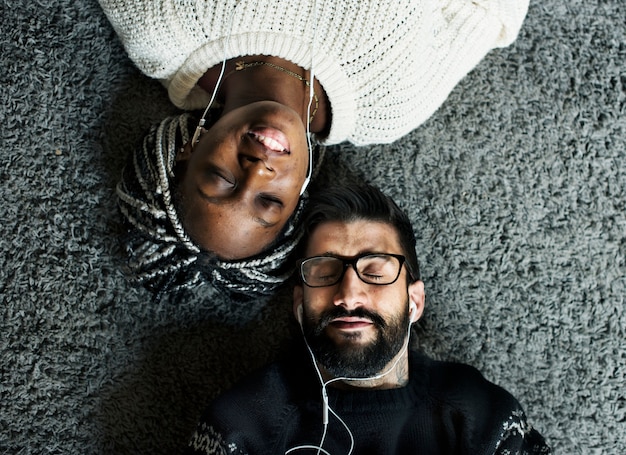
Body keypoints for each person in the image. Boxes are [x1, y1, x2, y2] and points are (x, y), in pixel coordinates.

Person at [100, 0, 530, 296]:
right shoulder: (390, 103)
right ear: (301, 194)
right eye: (269, 201)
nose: (257, 170)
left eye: (222, 178)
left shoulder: (163, 26)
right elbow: (492, 12)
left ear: (187, 152)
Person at [184, 182, 551, 454]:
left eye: (375, 271)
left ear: (414, 302)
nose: (348, 296)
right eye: (325, 272)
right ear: (299, 303)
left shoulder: (480, 415)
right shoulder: (242, 424)